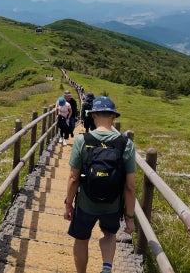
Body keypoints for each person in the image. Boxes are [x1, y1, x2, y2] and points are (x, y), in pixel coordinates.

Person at [63, 96, 136, 273]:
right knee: (109, 234)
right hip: (112, 205)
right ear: (113, 117)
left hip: (86, 203)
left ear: (93, 115)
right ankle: (106, 267)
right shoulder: (125, 144)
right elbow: (130, 186)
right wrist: (129, 217)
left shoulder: (82, 140)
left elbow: (73, 179)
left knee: (81, 239)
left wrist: (68, 205)